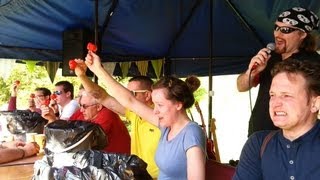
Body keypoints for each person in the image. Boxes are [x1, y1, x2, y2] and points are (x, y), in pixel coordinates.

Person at [73, 52, 206, 180]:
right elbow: (122, 99)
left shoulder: (191, 132)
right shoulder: (166, 126)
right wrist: (95, 70)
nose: (155, 111)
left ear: (178, 104)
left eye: (160, 105)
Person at [237, 7, 320, 136]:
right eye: (276, 28)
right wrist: (251, 72)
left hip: (295, 137)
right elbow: (240, 86)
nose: (277, 34)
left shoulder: (313, 61)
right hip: (259, 133)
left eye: (285, 30)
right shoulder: (269, 56)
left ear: (302, 34)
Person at [233, 59, 320, 179]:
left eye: (286, 95)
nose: (276, 103)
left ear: (315, 103)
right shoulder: (258, 144)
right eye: (272, 95)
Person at [73, 70, 161, 178]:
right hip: (138, 175)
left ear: (147, 95)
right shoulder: (135, 114)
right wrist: (82, 75)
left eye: (131, 94)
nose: (126, 98)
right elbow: (102, 96)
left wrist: (97, 68)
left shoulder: (161, 118)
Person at [41, 90, 131, 154]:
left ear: (98, 106)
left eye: (84, 106)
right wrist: (51, 119)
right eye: (80, 105)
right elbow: (65, 132)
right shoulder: (83, 111)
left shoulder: (107, 114)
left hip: (116, 164)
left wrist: (53, 122)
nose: (81, 109)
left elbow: (80, 142)